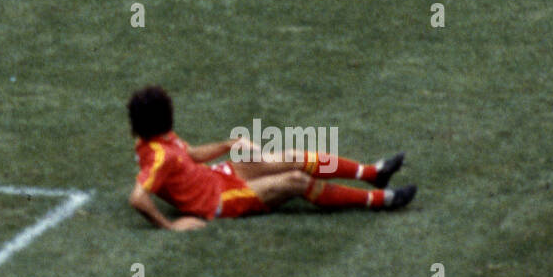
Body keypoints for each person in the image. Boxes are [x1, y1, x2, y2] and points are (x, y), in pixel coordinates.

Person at [127, 85, 416, 230]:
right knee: (295, 181)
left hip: (218, 175)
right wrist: (171, 226)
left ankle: (373, 174)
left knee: (290, 155)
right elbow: (138, 197)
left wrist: (229, 144)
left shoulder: (160, 138)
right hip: (218, 201)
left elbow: (189, 155)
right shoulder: (159, 157)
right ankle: (381, 201)